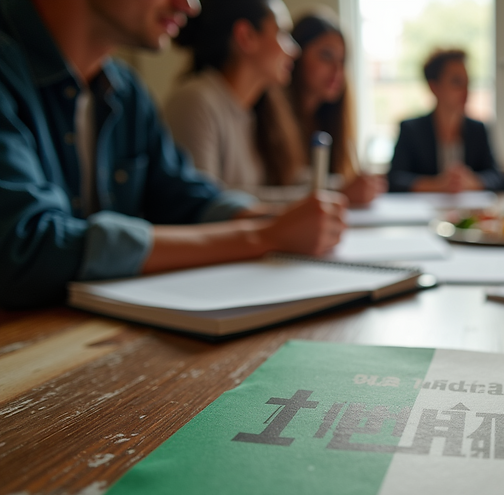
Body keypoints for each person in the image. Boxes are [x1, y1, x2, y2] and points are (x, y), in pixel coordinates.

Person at [0, 0, 346, 309]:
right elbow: (27, 246)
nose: (190, 5)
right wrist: (264, 237)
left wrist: (273, 219)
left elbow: (183, 196)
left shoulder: (126, 90)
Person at [164, 0, 305, 189]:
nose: (294, 50)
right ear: (246, 36)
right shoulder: (195, 101)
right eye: (282, 33)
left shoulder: (256, 111)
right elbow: (204, 207)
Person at [289, 11, 384, 205]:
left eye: (342, 61)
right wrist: (341, 192)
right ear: (294, 54)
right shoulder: (270, 121)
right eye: (326, 56)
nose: (337, 71)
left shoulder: (327, 122)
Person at [388, 49, 503, 192]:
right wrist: (437, 184)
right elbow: (395, 179)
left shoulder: (478, 129)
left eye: (468, 83)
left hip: (469, 212)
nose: (466, 90)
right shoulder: (411, 129)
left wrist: (470, 181)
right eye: (457, 82)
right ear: (434, 87)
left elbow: (496, 177)